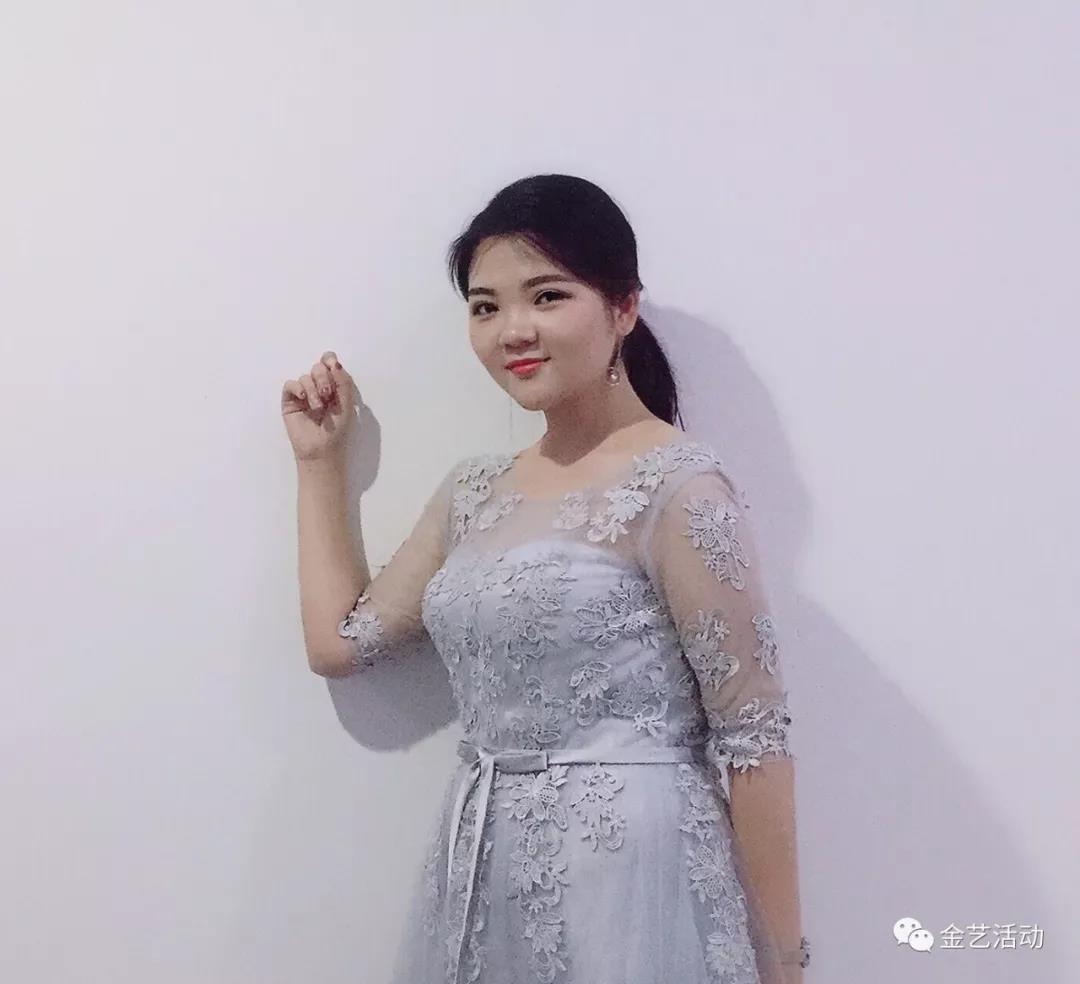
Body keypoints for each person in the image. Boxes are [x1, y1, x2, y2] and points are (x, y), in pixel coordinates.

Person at [282, 174, 810, 984]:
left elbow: (755, 740)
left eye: (547, 296)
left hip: (632, 883)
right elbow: (341, 642)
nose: (512, 331)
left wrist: (785, 968)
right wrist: (320, 463)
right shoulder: (474, 491)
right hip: (485, 870)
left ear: (622, 307)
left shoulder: (678, 486)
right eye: (485, 307)